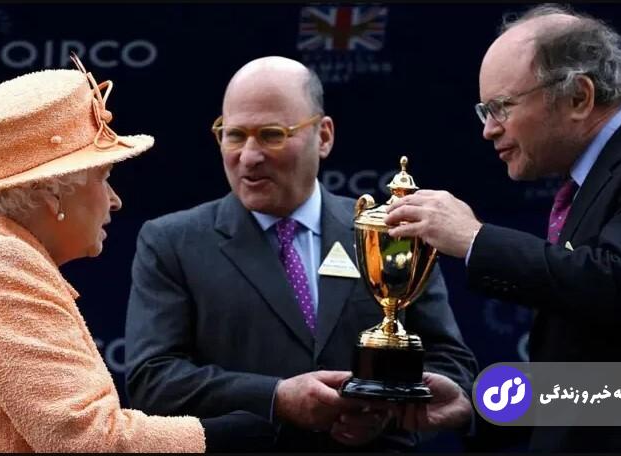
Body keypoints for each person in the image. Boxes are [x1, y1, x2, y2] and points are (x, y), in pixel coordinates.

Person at [385, 3, 621, 452]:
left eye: (501, 107)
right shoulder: (583, 186)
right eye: (485, 111)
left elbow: (617, 285)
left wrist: (475, 238)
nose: (488, 130)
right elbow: (583, 378)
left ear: (578, 97)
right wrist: (473, 404)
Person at [0, 56, 270, 452]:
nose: (114, 200)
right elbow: (86, 439)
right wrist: (228, 435)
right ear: (53, 194)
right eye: (103, 177)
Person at [124, 56, 477, 451]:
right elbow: (152, 382)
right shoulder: (171, 242)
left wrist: (389, 409)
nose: (249, 156)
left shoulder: (389, 231)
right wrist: (275, 398)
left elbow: (451, 363)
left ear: (323, 136)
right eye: (234, 135)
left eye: (272, 135)